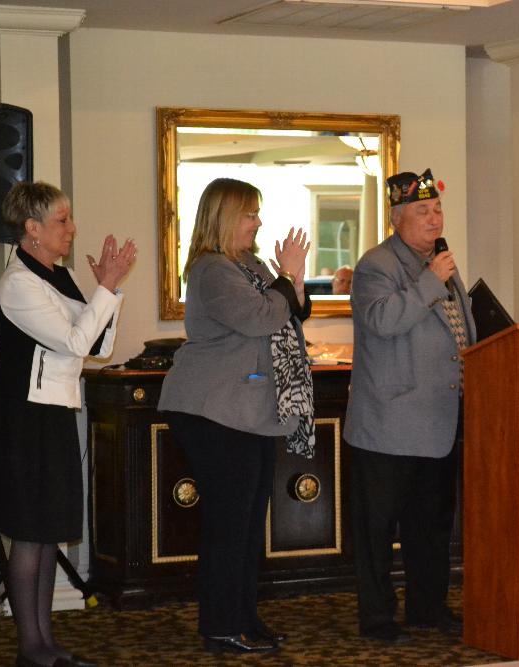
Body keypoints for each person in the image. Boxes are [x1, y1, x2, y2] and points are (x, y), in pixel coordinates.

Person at [0, 181, 136, 667]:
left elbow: (100, 346)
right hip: (20, 418)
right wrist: (104, 289)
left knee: (47, 533)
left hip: (52, 412)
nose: (72, 229)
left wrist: (107, 291)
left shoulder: (56, 276)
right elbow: (73, 342)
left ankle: (46, 644)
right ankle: (30, 648)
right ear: (32, 229)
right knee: (29, 532)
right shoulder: (18, 284)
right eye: (62, 221)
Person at [157, 178, 314, 655]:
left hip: (248, 412)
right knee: (229, 524)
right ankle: (221, 625)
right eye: (250, 213)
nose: (258, 222)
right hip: (214, 410)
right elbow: (262, 318)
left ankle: (245, 618)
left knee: (248, 525)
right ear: (225, 216)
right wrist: (286, 280)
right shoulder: (210, 269)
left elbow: (292, 311)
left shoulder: (248, 264)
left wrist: (294, 277)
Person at [345, 168, 475, 643]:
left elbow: (458, 328)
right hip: (391, 422)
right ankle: (378, 618)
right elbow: (382, 320)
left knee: (430, 526)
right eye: (422, 211)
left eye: (437, 208)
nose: (434, 218)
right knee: (378, 529)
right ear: (398, 218)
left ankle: (428, 609)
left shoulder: (440, 262)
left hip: (441, 421)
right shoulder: (376, 265)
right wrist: (429, 282)